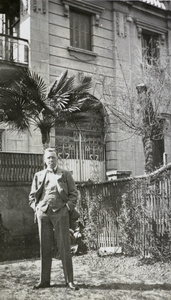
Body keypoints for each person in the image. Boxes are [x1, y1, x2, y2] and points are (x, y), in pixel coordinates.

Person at [29, 148, 79, 290]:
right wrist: (37, 208)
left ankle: (69, 280)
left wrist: (67, 208)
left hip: (60, 213)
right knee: (44, 248)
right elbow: (32, 196)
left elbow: (74, 194)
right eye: (48, 158)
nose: (51, 160)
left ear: (57, 159)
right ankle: (44, 281)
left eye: (53, 158)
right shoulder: (38, 175)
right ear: (45, 160)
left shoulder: (65, 174)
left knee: (64, 247)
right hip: (43, 214)